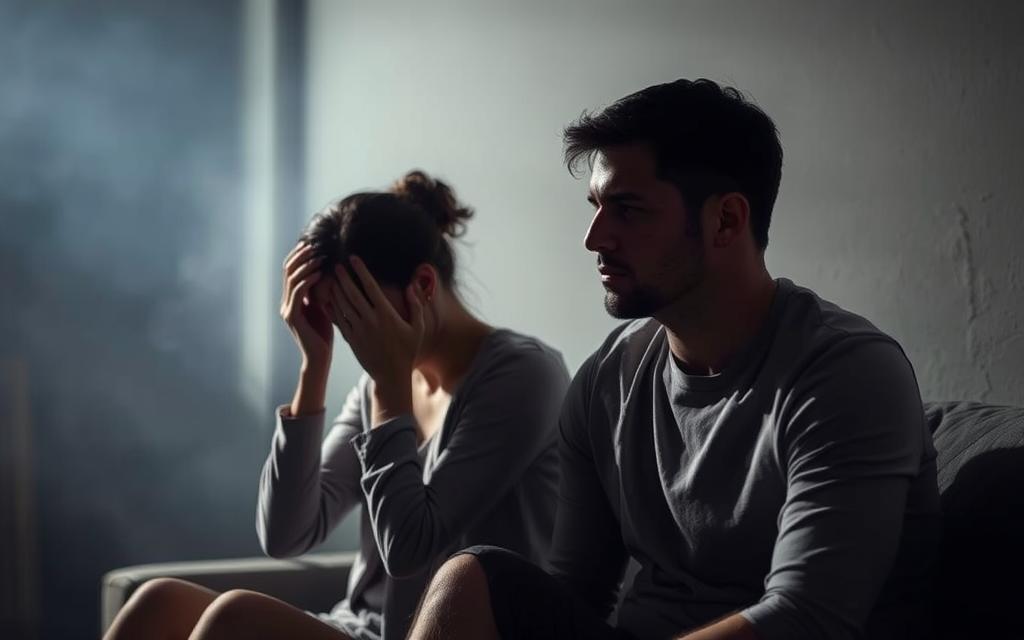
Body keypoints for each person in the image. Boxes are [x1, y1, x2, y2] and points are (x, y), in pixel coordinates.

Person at [407, 79, 941, 640]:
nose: (595, 239)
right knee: (471, 578)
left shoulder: (845, 373)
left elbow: (808, 618)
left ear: (727, 221)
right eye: (595, 207)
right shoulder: (606, 381)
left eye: (628, 210)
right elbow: (575, 592)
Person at [103, 170, 570, 640]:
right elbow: (287, 535)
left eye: (355, 311)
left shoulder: (521, 376)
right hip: (359, 628)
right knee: (157, 600)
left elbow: (410, 548)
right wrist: (314, 365)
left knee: (234, 616)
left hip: (435, 633)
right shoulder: (377, 388)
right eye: (334, 315)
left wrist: (390, 382)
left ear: (424, 285)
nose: (349, 333)